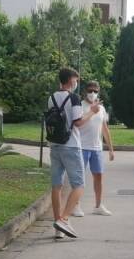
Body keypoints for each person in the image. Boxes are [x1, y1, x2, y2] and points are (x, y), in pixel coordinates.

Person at [47, 68, 101, 240]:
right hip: (71, 146)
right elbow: (78, 123)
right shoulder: (74, 98)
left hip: (54, 145)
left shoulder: (52, 97)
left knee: (57, 185)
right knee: (79, 185)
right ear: (71, 80)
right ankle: (64, 219)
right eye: (76, 80)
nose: (77, 83)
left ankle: (58, 226)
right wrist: (92, 112)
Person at [77, 80, 115, 216]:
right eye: (90, 91)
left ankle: (98, 206)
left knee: (98, 176)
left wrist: (110, 149)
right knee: (79, 177)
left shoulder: (102, 109)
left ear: (99, 92)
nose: (92, 93)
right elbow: (78, 125)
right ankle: (76, 205)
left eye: (95, 91)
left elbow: (105, 129)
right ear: (85, 92)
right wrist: (92, 112)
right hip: (82, 147)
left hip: (97, 148)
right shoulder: (80, 106)